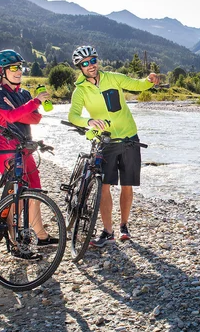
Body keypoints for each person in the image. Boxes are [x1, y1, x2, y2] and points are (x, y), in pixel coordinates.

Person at [67, 45, 159, 247]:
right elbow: (73, 115)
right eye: (86, 63)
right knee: (104, 186)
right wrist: (88, 122)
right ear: (79, 67)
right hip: (104, 142)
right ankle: (108, 231)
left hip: (129, 139)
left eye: (93, 60)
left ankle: (124, 226)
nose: (91, 65)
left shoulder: (113, 77)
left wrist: (149, 81)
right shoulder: (80, 90)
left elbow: (136, 84)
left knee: (127, 185)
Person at [0, 49, 57, 259]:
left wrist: (22, 112)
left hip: (26, 149)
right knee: (16, 197)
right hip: (8, 151)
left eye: (20, 67)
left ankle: (41, 235)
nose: (19, 71)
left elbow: (35, 119)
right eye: (14, 68)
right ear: (2, 71)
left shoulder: (24, 94)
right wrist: (32, 105)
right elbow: (10, 115)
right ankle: (15, 244)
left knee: (35, 192)